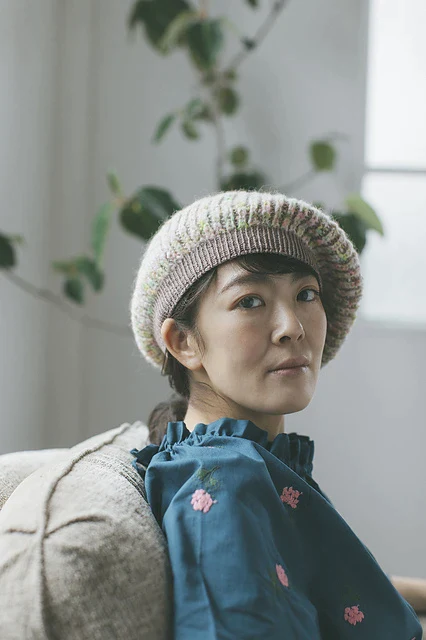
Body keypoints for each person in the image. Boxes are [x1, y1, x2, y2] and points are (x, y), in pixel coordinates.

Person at [128, 189, 423, 639]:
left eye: (306, 294)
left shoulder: (252, 463)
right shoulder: (223, 484)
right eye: (250, 301)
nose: (292, 327)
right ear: (184, 342)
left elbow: (326, 584)